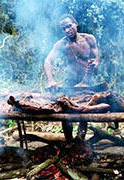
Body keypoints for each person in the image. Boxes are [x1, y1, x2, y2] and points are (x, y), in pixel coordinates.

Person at [44, 14, 100, 143]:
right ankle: (69, 142)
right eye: (64, 29)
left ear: (75, 23)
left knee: (84, 110)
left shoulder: (89, 39)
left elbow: (96, 58)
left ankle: (80, 141)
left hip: (87, 80)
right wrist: (51, 80)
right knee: (65, 111)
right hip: (70, 81)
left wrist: (96, 63)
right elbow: (48, 60)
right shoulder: (61, 44)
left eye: (69, 26)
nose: (67, 30)